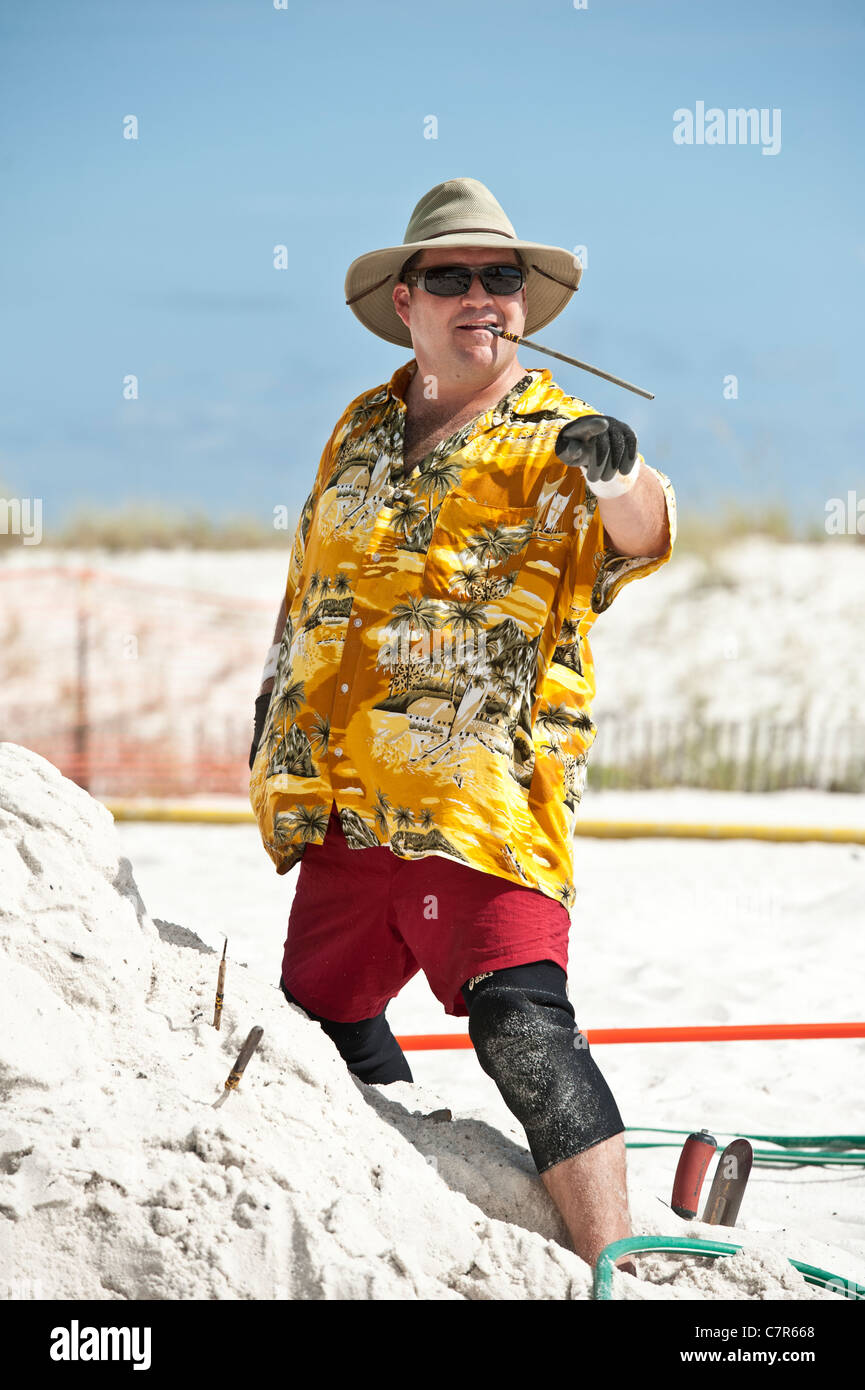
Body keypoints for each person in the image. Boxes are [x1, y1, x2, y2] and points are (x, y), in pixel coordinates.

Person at [249, 178, 676, 1273]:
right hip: (346, 801)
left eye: (502, 278)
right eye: (453, 277)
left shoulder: (556, 435)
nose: (481, 294)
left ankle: (611, 1275)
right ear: (407, 300)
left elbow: (639, 530)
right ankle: (390, 1201)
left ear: (524, 305)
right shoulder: (360, 424)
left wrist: (619, 470)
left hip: (480, 803)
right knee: (315, 1024)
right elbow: (312, 587)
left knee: (525, 1032)